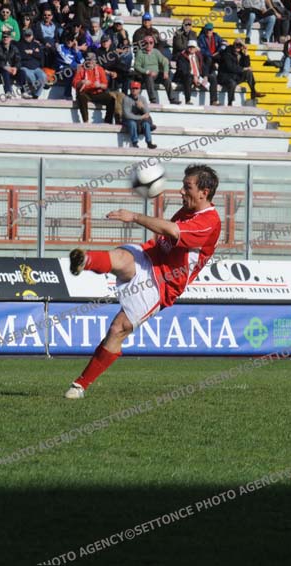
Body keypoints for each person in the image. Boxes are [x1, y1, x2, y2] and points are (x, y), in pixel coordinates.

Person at [65, 164, 221, 398]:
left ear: (204, 193)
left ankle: (80, 385)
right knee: (121, 258)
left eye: (187, 187)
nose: (181, 191)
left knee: (119, 329)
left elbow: (174, 232)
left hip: (163, 283)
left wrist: (135, 216)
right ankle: (84, 260)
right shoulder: (187, 209)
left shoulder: (209, 221)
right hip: (151, 256)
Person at [133, 35, 179, 105]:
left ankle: (172, 99)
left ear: (153, 43)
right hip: (145, 75)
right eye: (146, 43)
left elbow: (165, 61)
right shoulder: (140, 53)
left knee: (167, 80)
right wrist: (147, 72)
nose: (149, 44)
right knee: (149, 78)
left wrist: (165, 72)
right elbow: (137, 66)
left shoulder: (156, 52)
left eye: (151, 42)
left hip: (156, 74)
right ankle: (153, 100)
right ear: (143, 44)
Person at [217, 38, 262, 105]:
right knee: (232, 83)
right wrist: (243, 69)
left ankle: (253, 92)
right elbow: (230, 67)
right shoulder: (227, 52)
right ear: (233, 44)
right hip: (224, 77)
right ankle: (230, 103)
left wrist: (246, 54)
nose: (238, 47)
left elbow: (247, 65)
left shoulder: (241, 54)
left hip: (235, 76)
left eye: (240, 45)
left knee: (249, 72)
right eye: (237, 45)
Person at [73, 51, 114, 123]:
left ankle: (108, 121)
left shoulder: (100, 69)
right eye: (88, 60)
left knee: (111, 99)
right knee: (81, 96)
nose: (89, 62)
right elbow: (74, 84)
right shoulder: (80, 68)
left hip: (97, 93)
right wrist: (82, 82)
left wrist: (99, 85)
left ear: (95, 61)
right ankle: (85, 121)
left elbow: (105, 85)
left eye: (91, 60)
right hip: (85, 93)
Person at [175, 38, 218, 106]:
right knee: (188, 77)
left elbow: (203, 67)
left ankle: (213, 101)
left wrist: (205, 76)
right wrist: (193, 76)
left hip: (198, 76)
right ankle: (188, 100)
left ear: (196, 48)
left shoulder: (198, 55)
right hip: (186, 76)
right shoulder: (182, 56)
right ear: (187, 48)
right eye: (190, 47)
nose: (191, 49)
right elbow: (183, 70)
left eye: (193, 47)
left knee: (213, 78)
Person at [122, 80, 155, 149]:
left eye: (136, 88)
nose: (134, 90)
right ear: (130, 89)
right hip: (129, 119)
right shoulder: (126, 99)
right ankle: (135, 142)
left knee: (146, 124)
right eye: (133, 88)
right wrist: (141, 117)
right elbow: (127, 115)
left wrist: (142, 107)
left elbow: (147, 112)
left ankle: (149, 142)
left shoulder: (142, 98)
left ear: (139, 90)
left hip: (140, 119)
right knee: (132, 123)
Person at [0, 30, 23, 95]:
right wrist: (5, 67)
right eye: (4, 37)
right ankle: (8, 92)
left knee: (22, 72)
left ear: (10, 38)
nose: (5, 38)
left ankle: (24, 91)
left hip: (11, 69)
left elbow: (18, 60)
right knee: (5, 72)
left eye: (7, 37)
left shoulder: (14, 48)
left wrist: (15, 68)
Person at [18, 27, 46, 98]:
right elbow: (21, 56)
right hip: (25, 67)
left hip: (36, 67)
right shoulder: (19, 45)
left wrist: (31, 52)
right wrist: (35, 53)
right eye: (26, 35)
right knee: (32, 78)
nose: (28, 37)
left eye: (29, 35)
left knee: (43, 77)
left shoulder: (36, 44)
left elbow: (41, 55)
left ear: (32, 35)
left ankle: (36, 95)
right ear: (23, 35)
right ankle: (31, 93)